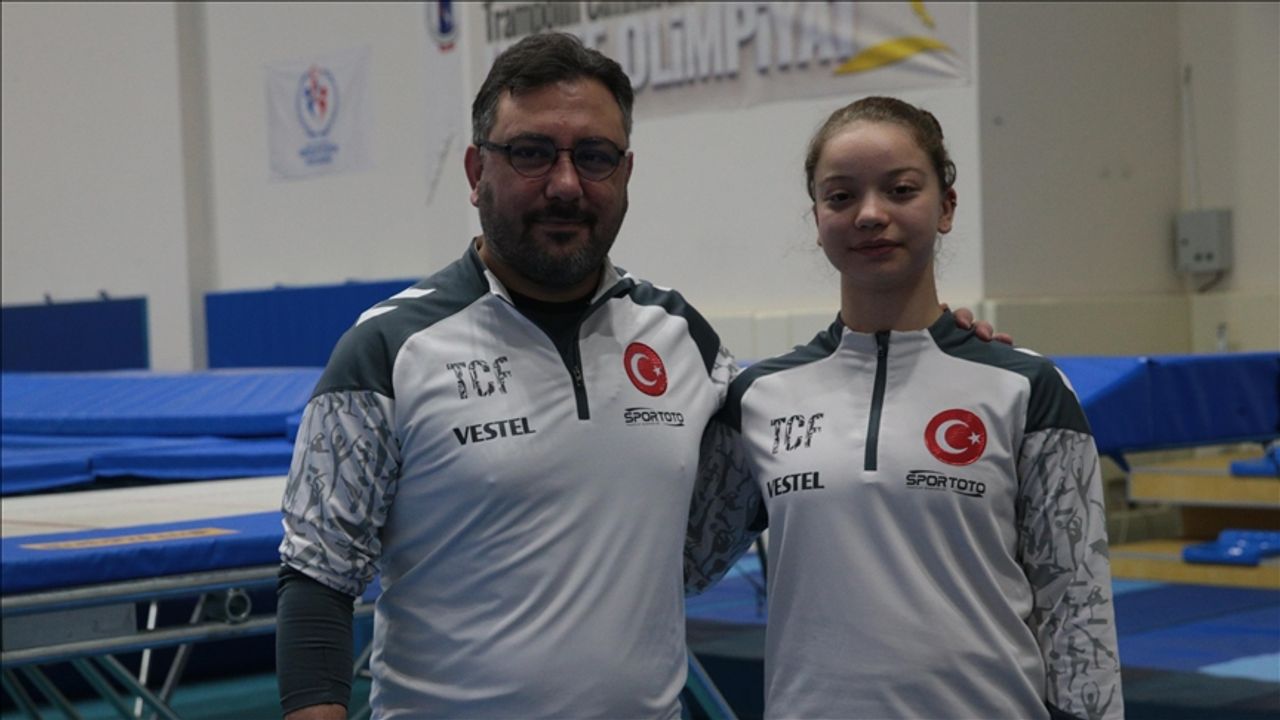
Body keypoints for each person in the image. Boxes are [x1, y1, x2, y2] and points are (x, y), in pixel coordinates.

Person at [276, 33, 1002, 719]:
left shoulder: (683, 340)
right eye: (531, 153)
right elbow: (317, 578)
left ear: (625, 174)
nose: (566, 184)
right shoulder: (388, 350)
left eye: (594, 157)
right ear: (475, 173)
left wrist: (937, 350)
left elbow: (804, 441)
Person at [685, 96, 1123, 720]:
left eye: (900, 190)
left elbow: (1079, 611)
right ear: (817, 217)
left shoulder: (1027, 388)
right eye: (841, 196)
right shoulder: (759, 398)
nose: (870, 214)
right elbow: (682, 565)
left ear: (945, 207)